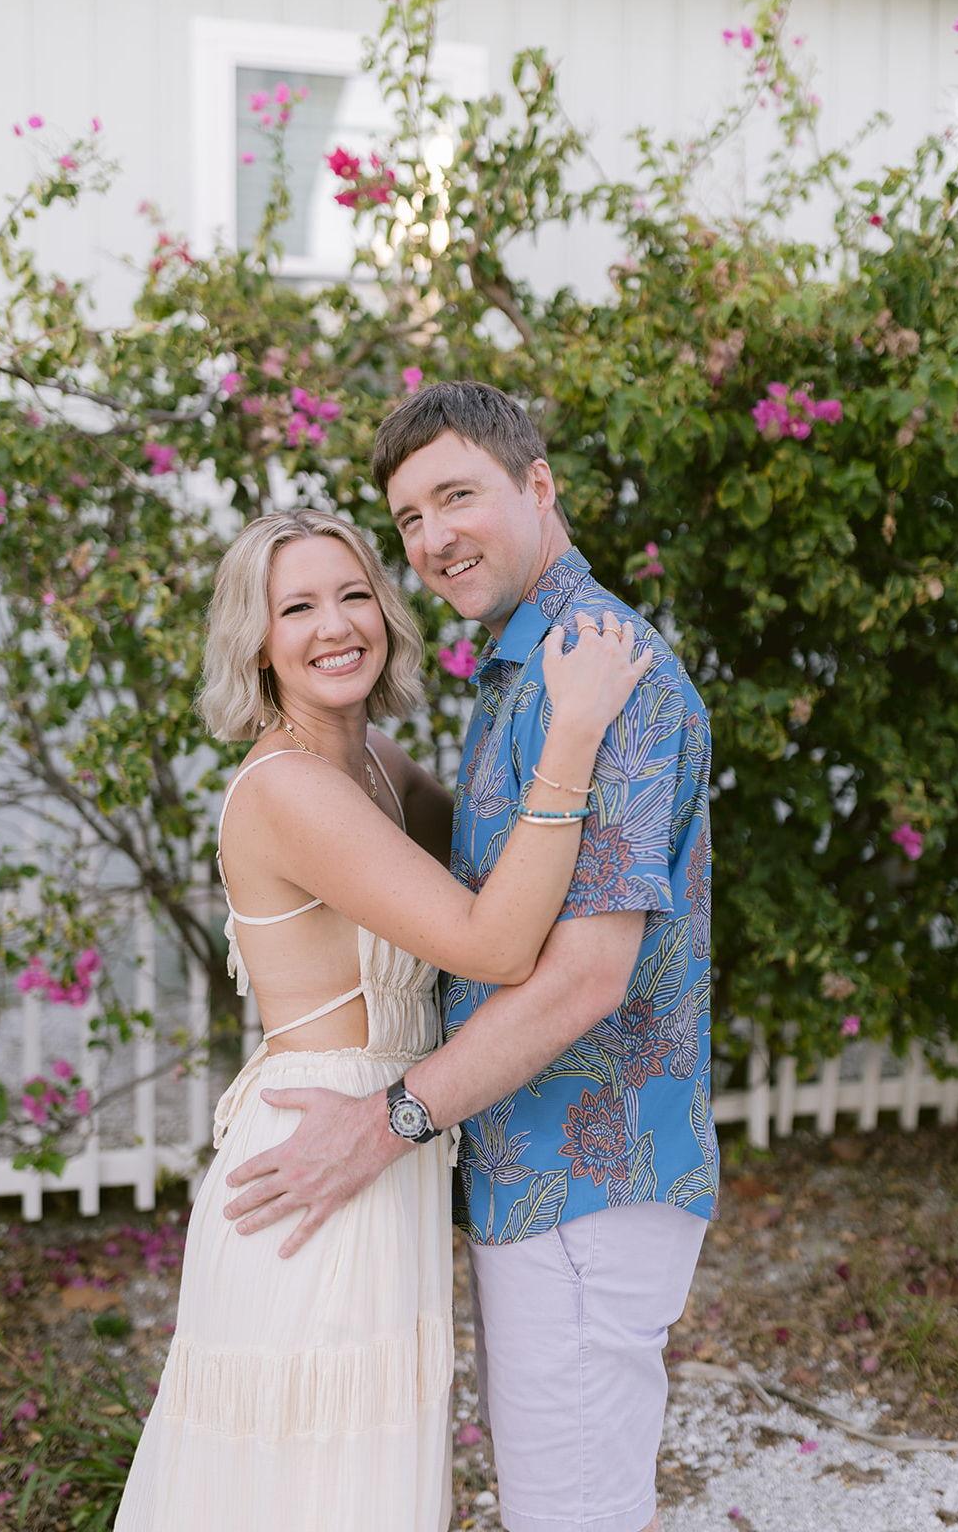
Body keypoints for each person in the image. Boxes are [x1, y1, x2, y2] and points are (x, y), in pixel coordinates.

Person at [224, 381, 718, 1532]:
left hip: (588, 1174)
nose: (435, 536)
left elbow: (588, 973)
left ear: (537, 485)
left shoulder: (603, 677)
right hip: (518, 1169)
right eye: (409, 518)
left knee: (574, 1513)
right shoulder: (519, 676)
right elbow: (456, 890)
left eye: (458, 495)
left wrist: (392, 1117)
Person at [113, 505, 651, 1531]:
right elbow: (493, 942)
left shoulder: (377, 766)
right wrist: (575, 734)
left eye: (353, 592)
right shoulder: (286, 789)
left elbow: (513, 875)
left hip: (387, 1151)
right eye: (297, 606)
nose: (334, 625)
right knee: (303, 1491)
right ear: (257, 642)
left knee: (362, 1481)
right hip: (315, 1164)